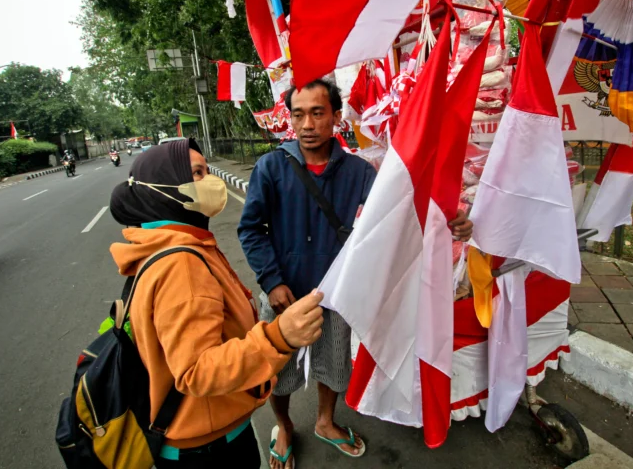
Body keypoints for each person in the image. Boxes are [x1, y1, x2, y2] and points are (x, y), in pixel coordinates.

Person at [238, 80, 473, 469]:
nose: (308, 124)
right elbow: (251, 229)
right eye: (299, 114)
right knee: (277, 370)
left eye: (317, 113)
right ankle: (283, 425)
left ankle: (325, 421)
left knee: (333, 364)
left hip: (337, 293)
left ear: (334, 115)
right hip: (284, 295)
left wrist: (448, 219)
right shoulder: (271, 167)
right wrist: (271, 281)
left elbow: (399, 210)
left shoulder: (359, 172)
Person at [109, 138, 325, 468]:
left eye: (207, 171)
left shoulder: (172, 243)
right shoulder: (181, 264)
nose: (212, 181)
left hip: (204, 429)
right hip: (206, 447)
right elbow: (196, 371)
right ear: (166, 186)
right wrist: (279, 337)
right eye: (196, 173)